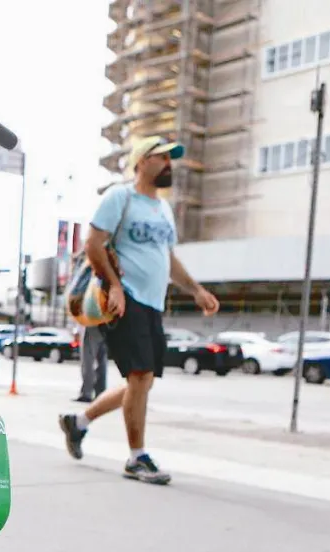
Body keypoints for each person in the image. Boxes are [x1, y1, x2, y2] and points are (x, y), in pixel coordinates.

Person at [58, 136, 219, 484]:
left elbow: (168, 258)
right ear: (141, 162)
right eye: (162, 157)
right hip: (125, 300)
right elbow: (93, 244)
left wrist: (196, 290)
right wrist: (115, 285)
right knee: (140, 376)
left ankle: (79, 421)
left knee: (141, 382)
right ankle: (136, 458)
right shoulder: (121, 197)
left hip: (152, 303)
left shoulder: (163, 209)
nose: (169, 164)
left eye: (170, 159)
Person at [76, 323, 108, 402]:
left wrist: (77, 329)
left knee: (88, 359)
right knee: (102, 360)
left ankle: (87, 393)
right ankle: (101, 393)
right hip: (106, 324)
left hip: (91, 323)